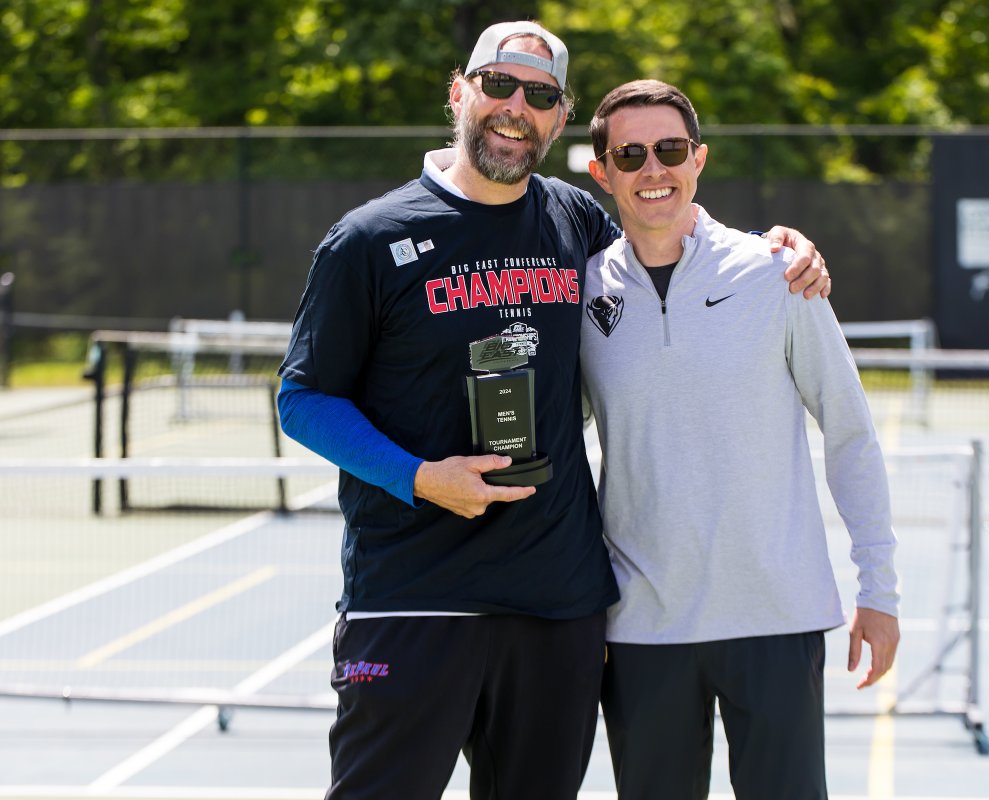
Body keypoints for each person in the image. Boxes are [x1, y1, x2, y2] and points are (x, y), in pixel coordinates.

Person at [276, 21, 830, 800]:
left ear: (559, 117)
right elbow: (301, 400)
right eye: (498, 85)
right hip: (413, 594)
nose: (515, 108)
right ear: (459, 92)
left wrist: (776, 248)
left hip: (557, 607)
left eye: (539, 96)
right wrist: (420, 477)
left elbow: (668, 231)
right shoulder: (370, 239)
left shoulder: (575, 221)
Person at [579, 79, 900, 800]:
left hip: (777, 620)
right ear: (601, 172)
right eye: (630, 154)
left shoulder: (776, 275)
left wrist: (879, 589)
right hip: (641, 631)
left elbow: (851, 434)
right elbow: (556, 447)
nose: (652, 169)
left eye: (669, 149)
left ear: (699, 159)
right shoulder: (583, 295)